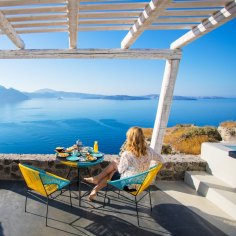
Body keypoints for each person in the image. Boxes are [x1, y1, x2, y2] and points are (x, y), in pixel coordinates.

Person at [84, 126, 164, 201]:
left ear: (130, 139)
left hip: (128, 185)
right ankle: (95, 187)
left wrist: (118, 163)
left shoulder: (127, 154)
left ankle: (95, 183)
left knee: (111, 170)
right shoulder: (149, 150)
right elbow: (161, 160)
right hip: (142, 182)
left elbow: (120, 171)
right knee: (114, 166)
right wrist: (150, 169)